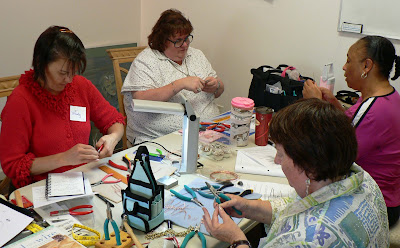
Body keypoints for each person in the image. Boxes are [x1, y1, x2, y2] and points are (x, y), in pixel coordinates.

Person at [202, 99, 389, 247]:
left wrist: (237, 240)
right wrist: (250, 207)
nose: (276, 161)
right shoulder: (362, 180)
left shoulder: (309, 239)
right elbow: (299, 207)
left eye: (281, 155)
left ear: (310, 167)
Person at [0, 26, 125, 188]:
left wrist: (112, 138)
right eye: (62, 73)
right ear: (40, 63)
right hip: (41, 187)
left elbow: (115, 121)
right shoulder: (21, 100)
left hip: (83, 179)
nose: (69, 79)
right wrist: (63, 158)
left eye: (73, 72)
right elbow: (13, 165)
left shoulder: (80, 86)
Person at [303, 35, 400, 227]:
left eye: (348, 60)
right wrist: (333, 106)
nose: (344, 67)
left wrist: (313, 105)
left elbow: (331, 158)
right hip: (388, 199)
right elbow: (352, 127)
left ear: (367, 66)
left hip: (374, 206)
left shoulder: (373, 110)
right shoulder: (389, 97)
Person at [121, 9, 224, 144]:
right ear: (163, 41)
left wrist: (215, 86)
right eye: (178, 41)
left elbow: (219, 91)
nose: (185, 45)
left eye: (187, 38)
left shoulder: (196, 55)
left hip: (209, 131)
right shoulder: (146, 60)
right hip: (161, 139)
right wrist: (180, 84)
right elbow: (140, 99)